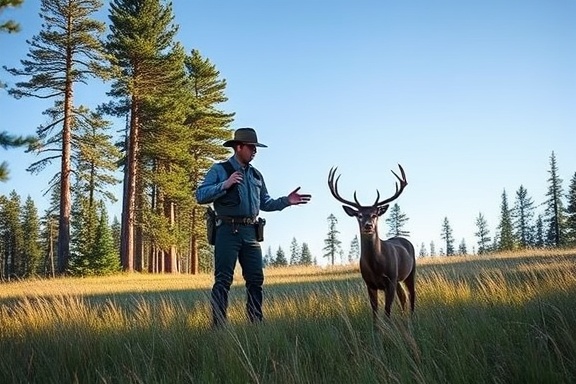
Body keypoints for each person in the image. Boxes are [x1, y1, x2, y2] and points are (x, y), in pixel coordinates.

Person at [195, 127, 311, 327]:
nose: (255, 151)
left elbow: (265, 203)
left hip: (251, 232)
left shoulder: (256, 175)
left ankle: (256, 323)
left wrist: (287, 201)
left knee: (256, 280)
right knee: (223, 280)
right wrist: (225, 184)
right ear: (238, 147)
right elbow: (200, 195)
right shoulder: (219, 170)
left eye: (255, 148)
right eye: (251, 147)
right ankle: (219, 327)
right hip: (227, 231)